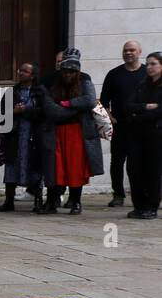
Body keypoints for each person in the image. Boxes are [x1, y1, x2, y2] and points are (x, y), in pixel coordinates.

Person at [40, 48, 102, 215]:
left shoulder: (84, 79)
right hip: (55, 130)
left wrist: (67, 104)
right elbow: (50, 108)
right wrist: (76, 108)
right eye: (65, 69)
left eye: (72, 71)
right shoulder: (49, 80)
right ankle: (52, 200)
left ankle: (75, 201)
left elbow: (89, 100)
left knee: (76, 167)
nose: (68, 74)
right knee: (55, 167)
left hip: (77, 131)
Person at [100, 40, 146, 207]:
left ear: (139, 51)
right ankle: (118, 194)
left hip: (142, 126)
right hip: (120, 125)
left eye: (132, 50)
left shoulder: (148, 73)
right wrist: (110, 117)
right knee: (117, 161)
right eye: (125, 50)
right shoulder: (114, 74)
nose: (128, 53)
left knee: (141, 161)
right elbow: (103, 101)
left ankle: (141, 194)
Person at [0, 63, 45, 212]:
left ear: (32, 75)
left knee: (35, 167)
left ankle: (37, 200)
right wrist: (15, 111)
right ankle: (9, 200)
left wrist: (28, 109)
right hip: (15, 135)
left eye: (25, 71)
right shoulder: (13, 91)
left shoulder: (40, 92)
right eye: (20, 70)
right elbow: (2, 113)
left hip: (34, 135)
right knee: (11, 166)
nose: (21, 73)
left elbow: (45, 111)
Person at [124, 51, 162, 220]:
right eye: (148, 64)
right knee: (134, 169)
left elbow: (160, 111)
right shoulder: (142, 85)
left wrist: (140, 113)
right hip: (138, 134)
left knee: (152, 171)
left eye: (154, 64)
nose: (150, 67)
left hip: (156, 134)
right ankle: (139, 205)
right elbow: (129, 106)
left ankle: (151, 206)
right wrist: (146, 107)